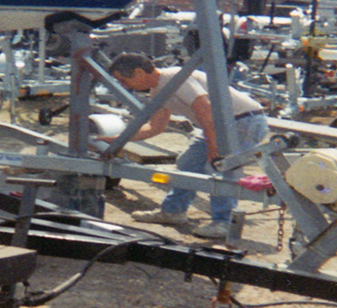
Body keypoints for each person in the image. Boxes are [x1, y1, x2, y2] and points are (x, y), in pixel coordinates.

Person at [104, 53, 269, 238]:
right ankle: (173, 211)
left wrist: (213, 147)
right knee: (188, 162)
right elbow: (156, 127)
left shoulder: (175, 78)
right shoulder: (159, 89)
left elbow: (205, 110)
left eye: (124, 80)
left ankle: (224, 222)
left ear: (139, 72)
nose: (124, 86)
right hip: (221, 124)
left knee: (221, 167)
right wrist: (119, 139)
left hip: (242, 122)